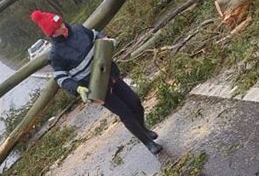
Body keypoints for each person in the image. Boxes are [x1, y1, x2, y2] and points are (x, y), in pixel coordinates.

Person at [30, 11, 161, 155]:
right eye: (58, 28)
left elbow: (97, 35)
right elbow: (61, 78)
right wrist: (77, 88)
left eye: (61, 23)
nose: (63, 27)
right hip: (96, 88)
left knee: (135, 102)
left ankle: (143, 130)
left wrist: (107, 40)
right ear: (52, 34)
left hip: (110, 74)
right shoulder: (56, 55)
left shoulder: (79, 30)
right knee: (125, 113)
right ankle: (148, 143)